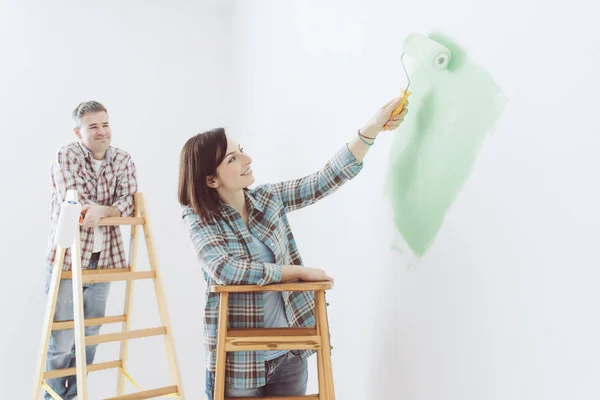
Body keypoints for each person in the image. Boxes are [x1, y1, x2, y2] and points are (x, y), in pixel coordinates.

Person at [178, 95, 409, 399]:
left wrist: (370, 130)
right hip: (240, 360)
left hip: (290, 352)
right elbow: (225, 270)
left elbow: (323, 181)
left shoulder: (267, 198)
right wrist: (296, 272)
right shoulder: (199, 217)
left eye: (241, 151)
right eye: (232, 159)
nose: (247, 160)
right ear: (210, 179)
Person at [43, 100, 138, 400]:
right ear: (78, 132)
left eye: (105, 124)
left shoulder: (123, 160)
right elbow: (77, 206)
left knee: (90, 339)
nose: (102, 132)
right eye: (93, 126)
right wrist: (100, 210)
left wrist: (104, 210)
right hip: (69, 262)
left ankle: (75, 397)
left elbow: (130, 201)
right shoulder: (65, 156)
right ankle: (55, 398)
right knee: (61, 342)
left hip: (105, 262)